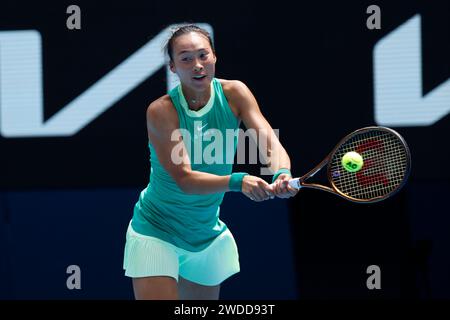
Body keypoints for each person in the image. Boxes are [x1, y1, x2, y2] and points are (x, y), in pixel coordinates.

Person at [123, 24, 298, 300]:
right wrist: (238, 181)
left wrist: (282, 172)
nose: (197, 65)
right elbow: (185, 180)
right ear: (172, 67)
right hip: (156, 229)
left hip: (205, 234)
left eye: (203, 55)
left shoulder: (235, 93)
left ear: (214, 56)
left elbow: (268, 141)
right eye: (185, 58)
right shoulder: (161, 111)